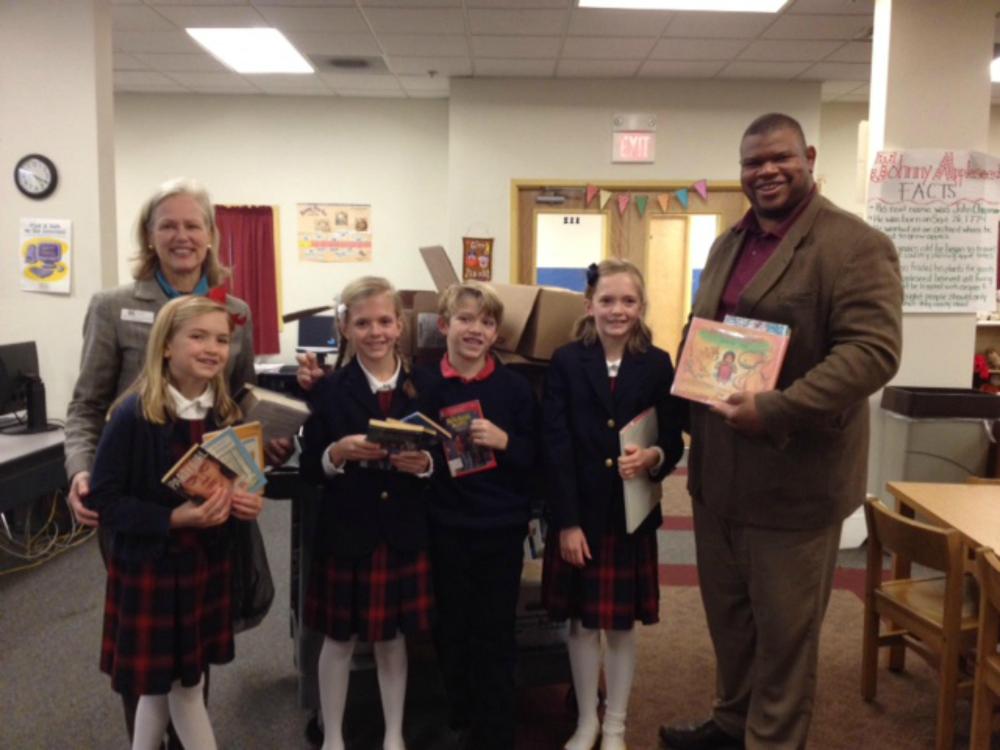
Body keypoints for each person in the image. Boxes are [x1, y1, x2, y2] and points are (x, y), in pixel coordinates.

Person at [659, 113, 903, 750]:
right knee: (732, 623)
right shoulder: (726, 242)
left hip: (795, 481)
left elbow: (872, 353)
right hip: (717, 479)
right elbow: (703, 330)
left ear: (810, 157)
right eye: (751, 163)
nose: (764, 171)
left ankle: (771, 742)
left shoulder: (854, 245)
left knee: (786, 636)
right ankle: (732, 723)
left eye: (779, 158)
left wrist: (777, 408)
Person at [63, 178, 286, 748]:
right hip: (137, 504)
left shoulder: (232, 311)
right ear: (150, 235)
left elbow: (239, 409)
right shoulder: (113, 307)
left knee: (191, 653)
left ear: (211, 236)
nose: (182, 236)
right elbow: (87, 404)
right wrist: (80, 473)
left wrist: (256, 467)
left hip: (208, 505)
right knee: (146, 655)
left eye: (194, 225)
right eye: (168, 225)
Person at [85, 295, 264, 750]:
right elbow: (106, 500)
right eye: (198, 336)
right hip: (152, 568)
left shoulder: (225, 413)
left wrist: (246, 502)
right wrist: (173, 517)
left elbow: (241, 482)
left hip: (205, 565)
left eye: (222, 339)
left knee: (169, 686)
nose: (212, 348)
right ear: (166, 345)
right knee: (179, 689)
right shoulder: (132, 413)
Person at [541, 259, 684, 750]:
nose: (617, 310)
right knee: (581, 625)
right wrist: (565, 523)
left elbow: (673, 436)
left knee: (620, 627)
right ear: (589, 306)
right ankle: (587, 721)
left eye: (628, 301)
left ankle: (617, 724)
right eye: (607, 300)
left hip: (631, 515)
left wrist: (655, 456)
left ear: (641, 307)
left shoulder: (659, 362)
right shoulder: (565, 360)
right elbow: (554, 446)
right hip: (581, 516)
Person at [299, 276, 437, 750]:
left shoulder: (427, 385)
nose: (375, 331)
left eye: (384, 321)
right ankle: (333, 736)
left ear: (400, 325)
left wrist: (425, 465)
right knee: (337, 640)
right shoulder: (330, 390)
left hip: (402, 532)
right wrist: (335, 453)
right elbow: (309, 467)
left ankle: (393, 736)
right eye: (362, 323)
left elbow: (444, 459)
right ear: (345, 328)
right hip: (347, 531)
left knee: (392, 641)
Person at [422, 281, 538, 750]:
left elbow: (538, 460)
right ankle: (460, 708)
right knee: (451, 625)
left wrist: (506, 442)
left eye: (486, 323)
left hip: (499, 528)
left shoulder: (514, 387)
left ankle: (495, 728)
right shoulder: (425, 383)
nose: (475, 329)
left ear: (496, 335)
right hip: (445, 525)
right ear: (444, 325)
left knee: (494, 629)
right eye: (465, 319)